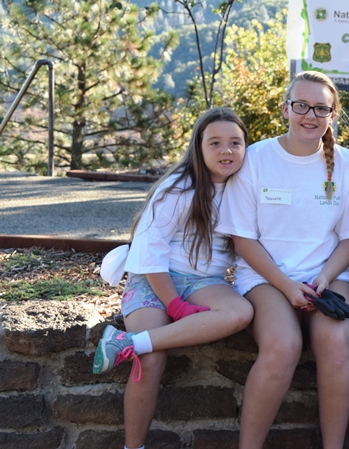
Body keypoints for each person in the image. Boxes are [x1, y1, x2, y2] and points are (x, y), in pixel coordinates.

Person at [92, 107, 254, 449]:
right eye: (215, 143)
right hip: (154, 279)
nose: (226, 150)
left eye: (235, 143)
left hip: (203, 281)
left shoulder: (246, 189)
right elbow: (150, 252)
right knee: (151, 360)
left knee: (240, 312)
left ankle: (127, 344)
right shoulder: (178, 187)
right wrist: (174, 305)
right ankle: (133, 446)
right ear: (198, 147)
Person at [217, 71, 349, 449]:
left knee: (337, 347)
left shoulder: (346, 165)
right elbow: (244, 241)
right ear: (285, 108)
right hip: (266, 278)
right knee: (283, 346)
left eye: (320, 108)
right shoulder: (257, 159)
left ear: (333, 114)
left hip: (330, 276)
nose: (309, 115)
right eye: (301, 105)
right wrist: (286, 285)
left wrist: (325, 277)